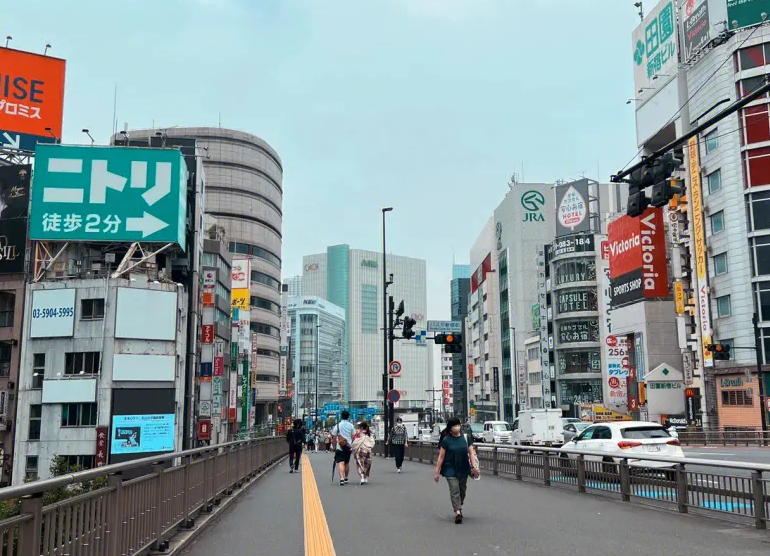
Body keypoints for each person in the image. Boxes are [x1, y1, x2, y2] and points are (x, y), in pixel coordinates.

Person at [433, 417, 479, 524]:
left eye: (458, 425)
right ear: (450, 428)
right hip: (450, 468)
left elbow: (471, 453)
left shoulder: (466, 438)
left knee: (462, 490)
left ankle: (458, 504)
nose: (457, 427)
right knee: (454, 489)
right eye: (454, 425)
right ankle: (458, 512)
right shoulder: (446, 440)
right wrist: (437, 472)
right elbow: (441, 457)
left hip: (463, 468)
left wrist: (474, 467)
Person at [331, 410, 355, 485]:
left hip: (340, 446)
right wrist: (351, 444)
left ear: (341, 416)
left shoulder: (338, 425)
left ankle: (341, 478)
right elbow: (353, 436)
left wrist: (334, 446)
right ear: (348, 417)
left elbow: (334, 436)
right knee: (347, 463)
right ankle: (346, 478)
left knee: (341, 463)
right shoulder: (351, 425)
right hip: (348, 447)